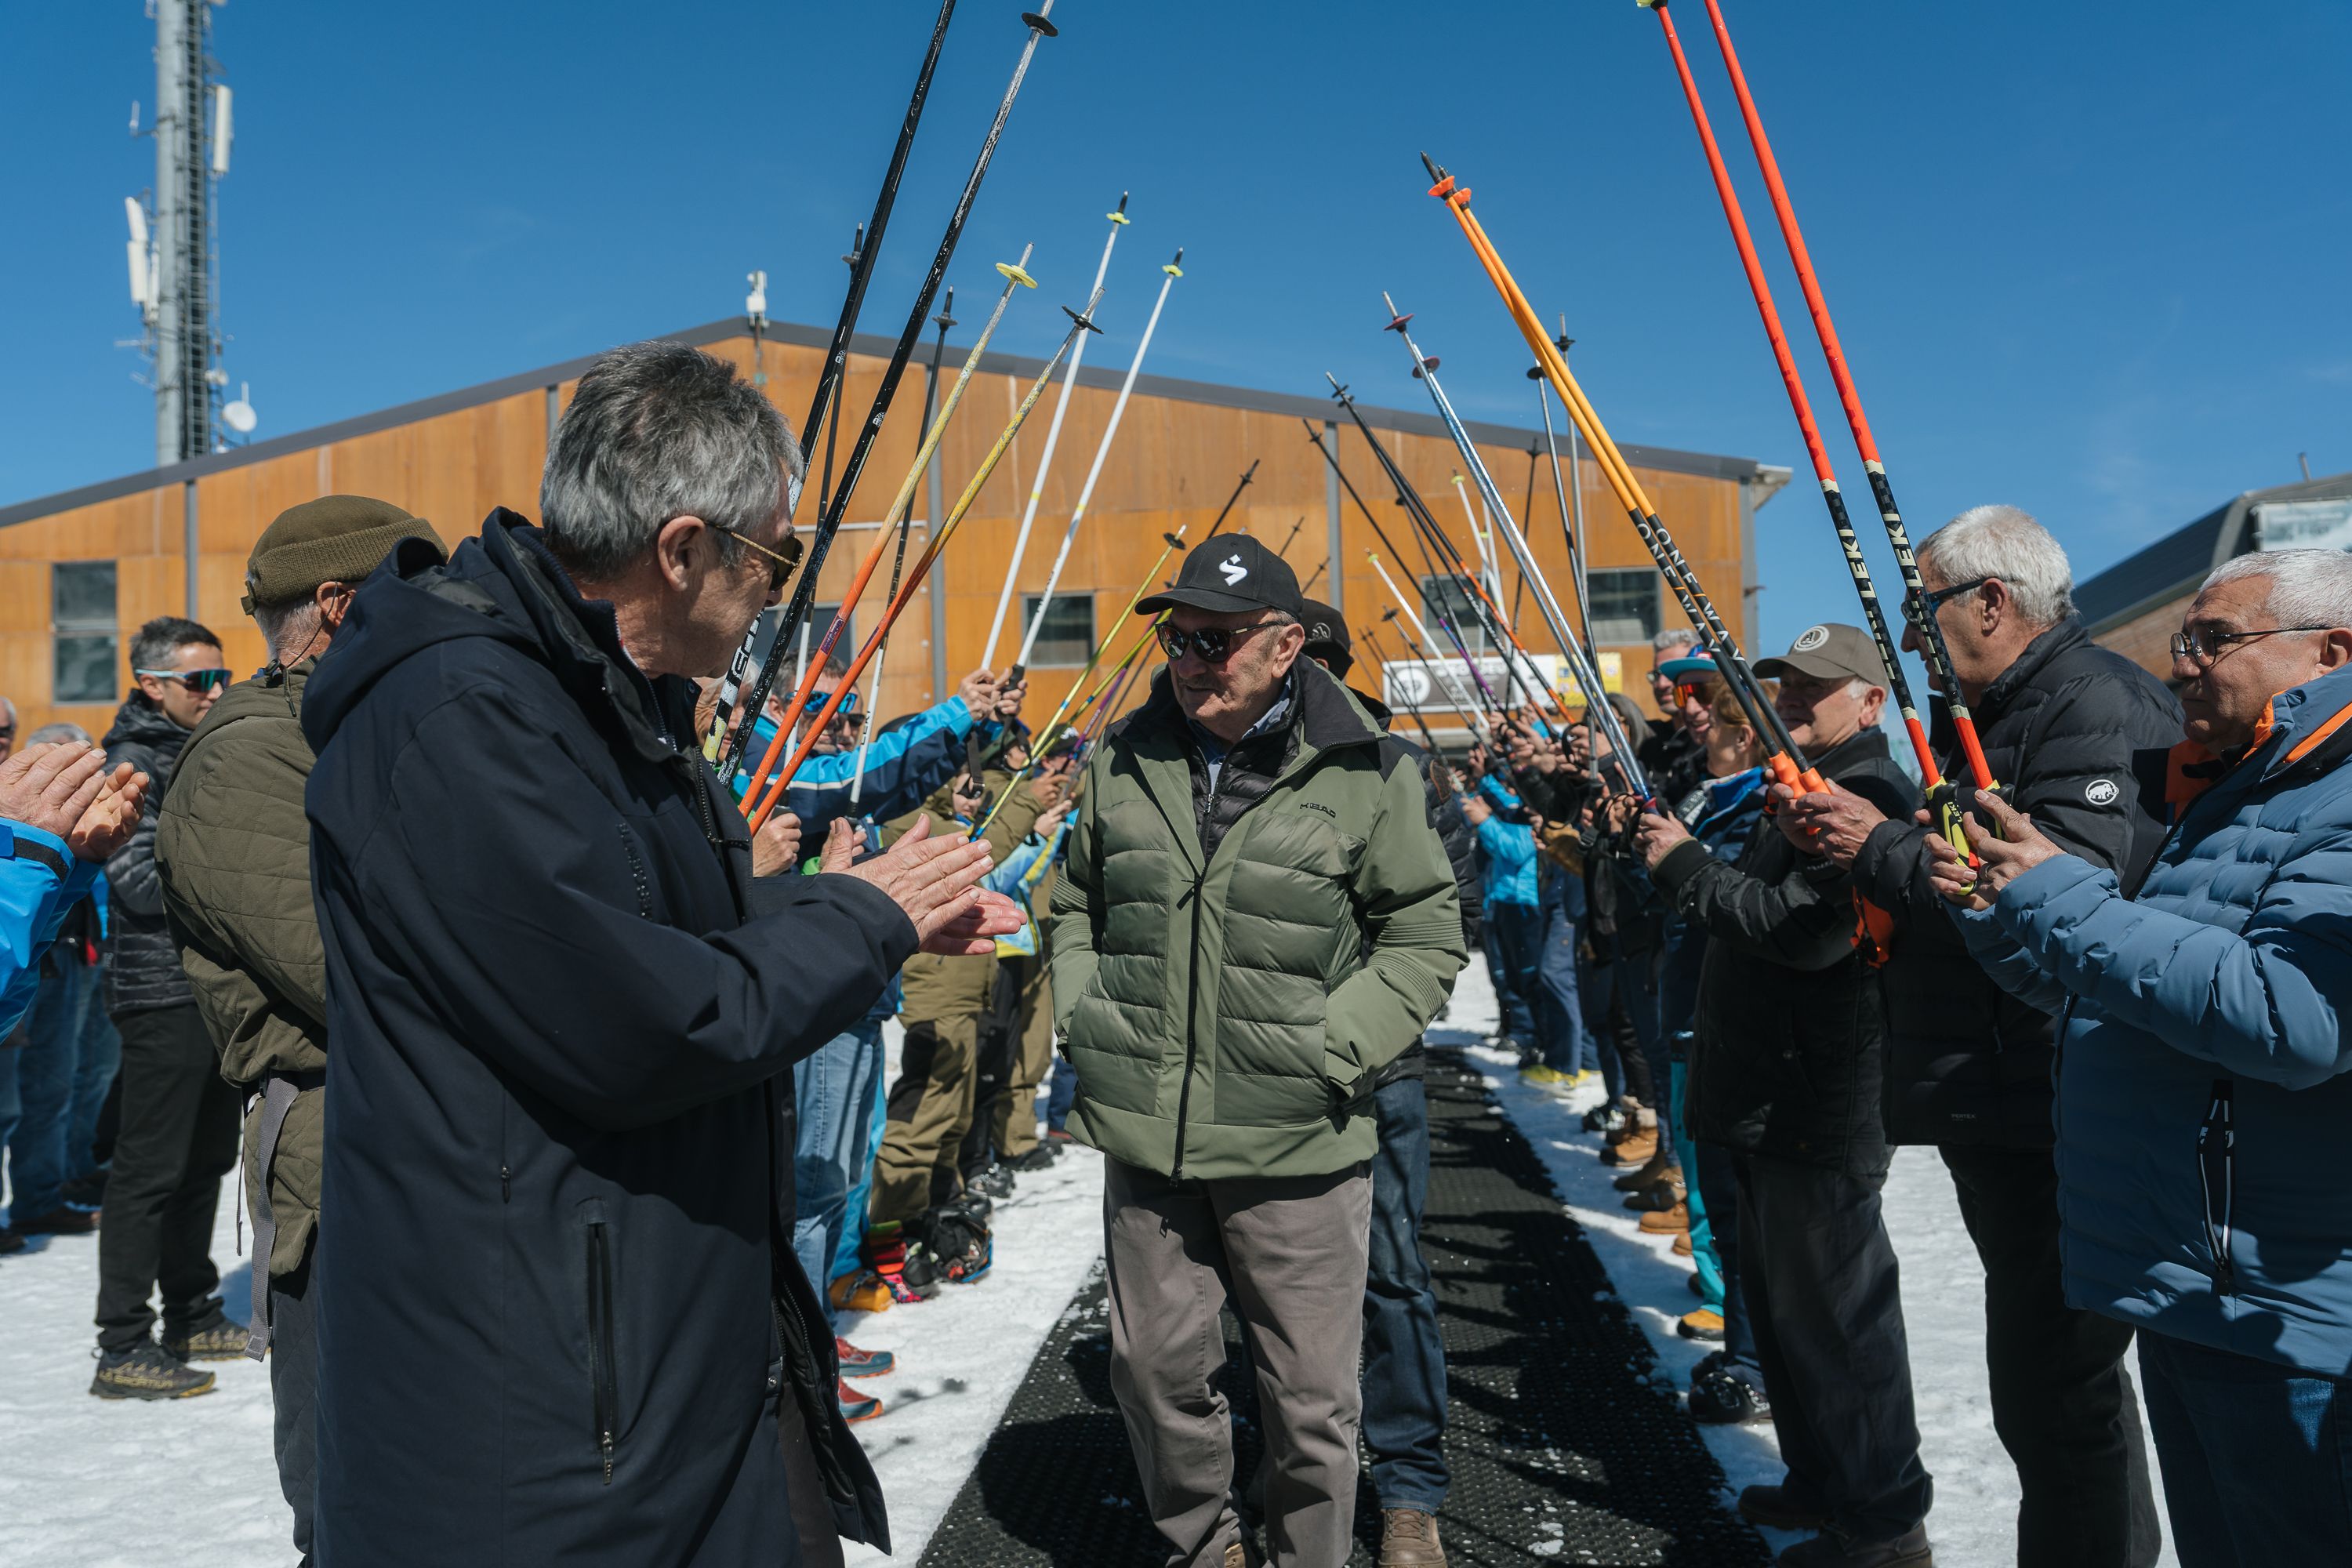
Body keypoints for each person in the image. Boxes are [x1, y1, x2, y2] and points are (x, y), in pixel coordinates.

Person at [298, 341, 1019, 1566]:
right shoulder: (463, 715)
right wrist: (867, 916)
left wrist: (829, 904)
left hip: (664, 1364)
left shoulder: (610, 700)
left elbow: (671, 935)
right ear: (682, 550)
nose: (778, 593)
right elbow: (644, 1021)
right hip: (547, 1427)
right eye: (774, 557)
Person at [1931, 547, 2352, 1566]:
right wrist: (2001, 909)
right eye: (2183, 639)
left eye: (2214, 641)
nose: (2180, 667)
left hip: (2281, 1319)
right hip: (2192, 1284)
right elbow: (2124, 991)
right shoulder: (2240, 789)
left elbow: (2295, 1020)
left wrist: (2057, 897)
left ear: (2332, 652)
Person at [1051, 535, 1465, 1568]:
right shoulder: (1123, 755)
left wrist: (1338, 1045)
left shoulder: (1367, 768)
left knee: (1313, 1405)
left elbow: (1424, 929)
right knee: (1152, 1376)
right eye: (1179, 636)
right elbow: (1068, 902)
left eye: (1218, 639)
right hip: (1150, 1134)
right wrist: (1086, 1014)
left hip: (1300, 1144)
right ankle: (1205, 1550)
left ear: (1285, 647)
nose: (1191, 657)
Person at [1780, 506, 2172, 1568]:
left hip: (2058, 1098)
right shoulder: (2006, 715)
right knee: (2046, 1397)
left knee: (2061, 1397)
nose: (1912, 638)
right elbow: (1978, 863)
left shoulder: (2095, 705)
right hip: (2007, 1095)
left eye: (1922, 610)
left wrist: (1882, 848)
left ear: (1990, 603)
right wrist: (1876, 848)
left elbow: (2062, 896)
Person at [153, 495, 445, 1559]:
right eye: (419, 596)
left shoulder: (380, 726)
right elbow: (350, 974)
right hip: (345, 1160)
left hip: (440, 1145)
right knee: (363, 1491)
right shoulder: (249, 755)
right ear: (336, 605)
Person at [1639, 623, 1932, 1568]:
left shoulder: (1870, 792)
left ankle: (1886, 1528)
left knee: (1843, 1330)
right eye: (1787, 685)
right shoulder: (1795, 782)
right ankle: (1822, 1481)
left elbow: (1806, 934)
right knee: (1789, 1320)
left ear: (1872, 700)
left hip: (1821, 1102)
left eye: (1819, 686)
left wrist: (1682, 862)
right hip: (1769, 1095)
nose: (1794, 699)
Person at [1301, 601, 1479, 1568]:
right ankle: (1291, 1475)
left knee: (1391, 1270)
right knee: (1268, 1286)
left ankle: (1409, 1489)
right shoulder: (1232, 763)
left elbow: (1455, 911)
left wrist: (1360, 1020)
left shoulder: (1403, 766)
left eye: (1314, 658)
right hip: (1257, 1075)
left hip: (1381, 1068)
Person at [90, 616, 246, 1399]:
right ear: (151, 683)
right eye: (198, 680)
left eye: (222, 677)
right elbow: (141, 884)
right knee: (149, 1168)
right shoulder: (129, 763)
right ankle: (122, 1340)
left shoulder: (199, 753)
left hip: (211, 992)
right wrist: (240, 870)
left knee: (206, 1158)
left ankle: (192, 1308)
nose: (215, 692)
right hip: (159, 993)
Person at [0, 737, 147, 1257]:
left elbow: (5, 996)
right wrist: (24, 856)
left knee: (65, 1082)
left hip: (74, 950)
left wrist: (63, 868)